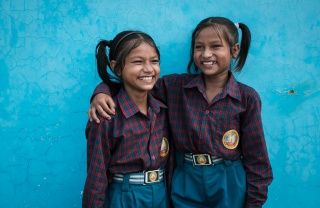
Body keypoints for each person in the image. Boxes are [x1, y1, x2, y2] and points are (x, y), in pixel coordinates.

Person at [88, 17, 273, 208]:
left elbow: (257, 159)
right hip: (186, 181)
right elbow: (136, 84)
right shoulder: (175, 87)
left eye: (215, 46)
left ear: (235, 50)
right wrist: (102, 91)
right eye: (199, 47)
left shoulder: (247, 98)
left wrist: (254, 203)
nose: (206, 54)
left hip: (228, 181)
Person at [82, 30, 174, 207]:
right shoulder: (106, 115)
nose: (148, 68)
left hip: (160, 195)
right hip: (124, 197)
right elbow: (96, 174)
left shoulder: (162, 109)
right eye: (138, 62)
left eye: (154, 61)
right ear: (117, 68)